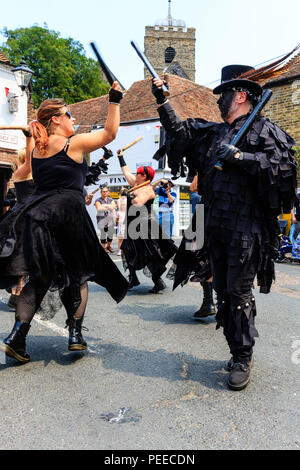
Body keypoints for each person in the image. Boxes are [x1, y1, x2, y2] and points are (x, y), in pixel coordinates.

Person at [152, 62, 297, 390]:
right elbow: (181, 133)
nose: (218, 100)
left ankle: (243, 355)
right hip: (215, 225)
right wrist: (163, 100)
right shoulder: (214, 133)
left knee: (237, 290)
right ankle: (235, 348)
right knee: (222, 291)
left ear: (242, 96)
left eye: (224, 94)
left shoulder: (263, 130)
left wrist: (242, 158)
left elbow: (285, 170)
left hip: (247, 228)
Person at [0, 82, 128, 363]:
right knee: (78, 275)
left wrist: (30, 137)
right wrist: (114, 100)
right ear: (56, 120)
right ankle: (75, 336)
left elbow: (24, 175)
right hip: (68, 214)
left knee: (40, 278)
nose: (74, 119)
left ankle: (17, 337)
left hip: (39, 215)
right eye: (69, 115)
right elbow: (110, 133)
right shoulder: (74, 143)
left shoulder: (37, 151)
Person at [116, 149, 177, 293]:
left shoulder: (148, 190)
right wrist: (120, 157)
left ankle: (158, 281)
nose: (135, 174)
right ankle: (133, 278)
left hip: (146, 225)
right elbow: (125, 171)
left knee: (150, 254)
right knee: (127, 248)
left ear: (144, 176)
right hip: (133, 224)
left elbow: (138, 203)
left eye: (138, 173)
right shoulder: (135, 184)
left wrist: (127, 195)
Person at [95, 186, 116, 253]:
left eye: (106, 191)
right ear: (101, 192)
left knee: (110, 234)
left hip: (110, 219)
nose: (105, 193)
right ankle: (104, 248)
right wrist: (109, 207)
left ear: (108, 192)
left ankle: (109, 246)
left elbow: (113, 207)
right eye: (103, 191)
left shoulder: (111, 200)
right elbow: (99, 208)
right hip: (102, 219)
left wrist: (104, 206)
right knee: (103, 234)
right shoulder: (98, 200)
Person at [116, 187, 127, 255]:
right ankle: (120, 250)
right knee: (121, 237)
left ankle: (126, 250)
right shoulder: (119, 200)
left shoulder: (128, 199)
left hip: (127, 217)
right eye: (122, 191)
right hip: (121, 217)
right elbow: (120, 208)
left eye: (124, 191)